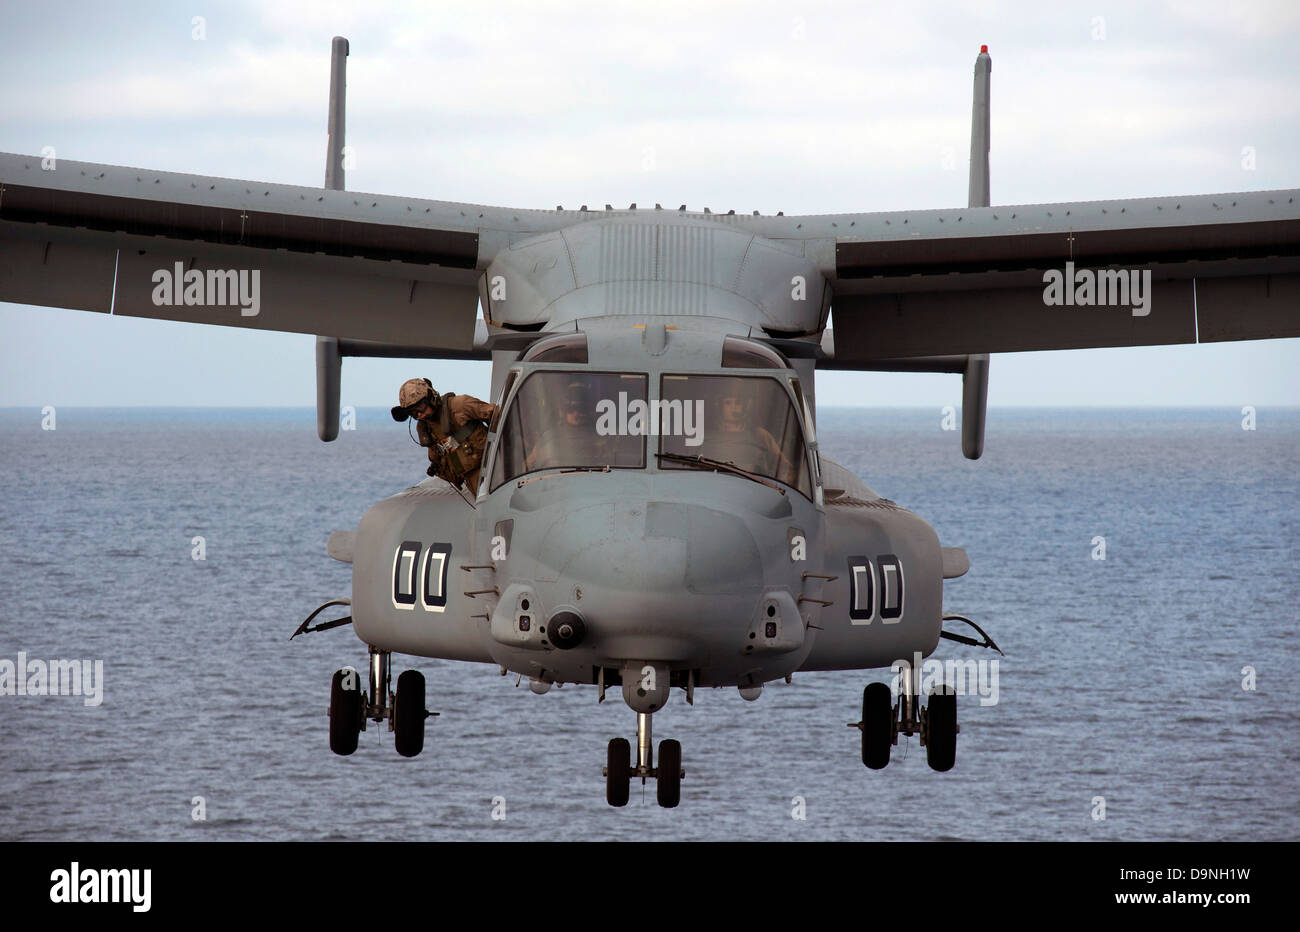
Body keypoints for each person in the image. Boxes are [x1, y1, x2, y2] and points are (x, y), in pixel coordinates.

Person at [390, 378, 497, 496]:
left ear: (431, 398)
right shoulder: (427, 429)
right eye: (414, 413)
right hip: (473, 481)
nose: (419, 415)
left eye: (420, 408)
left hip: (494, 470)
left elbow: (497, 416)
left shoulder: (460, 405)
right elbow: (437, 456)